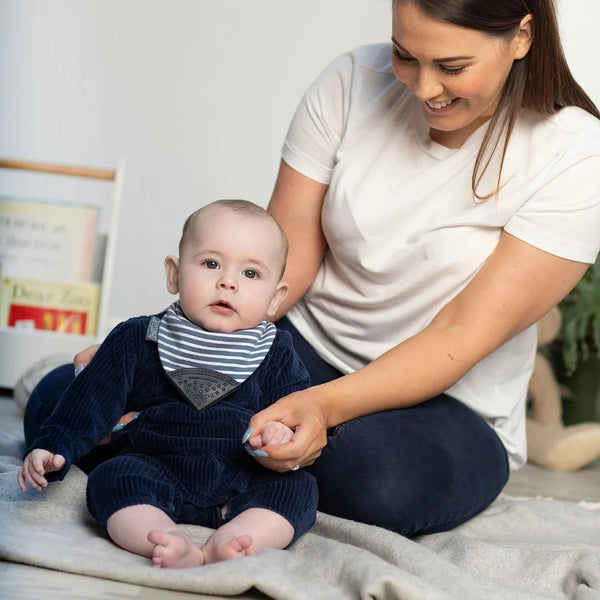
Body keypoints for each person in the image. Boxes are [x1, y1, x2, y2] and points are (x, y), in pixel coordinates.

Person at [19, 0, 600, 537]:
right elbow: (287, 245)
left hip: (445, 403)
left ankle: (178, 447)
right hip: (296, 350)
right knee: (57, 401)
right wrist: (168, 343)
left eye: (451, 65)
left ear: (522, 35)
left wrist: (322, 408)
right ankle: (215, 456)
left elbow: (460, 333)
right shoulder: (351, 82)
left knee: (378, 482)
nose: (424, 88)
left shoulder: (576, 156)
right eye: (405, 54)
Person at [18, 199, 318, 568]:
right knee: (111, 478)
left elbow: (292, 410)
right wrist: (54, 444)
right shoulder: (138, 337)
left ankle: (239, 539)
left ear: (275, 297)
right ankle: (165, 539)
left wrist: (279, 434)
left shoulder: (276, 352)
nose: (228, 281)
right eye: (211, 264)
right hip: (153, 464)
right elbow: (91, 400)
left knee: (298, 489)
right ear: (174, 274)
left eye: (251, 274)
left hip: (241, 472)